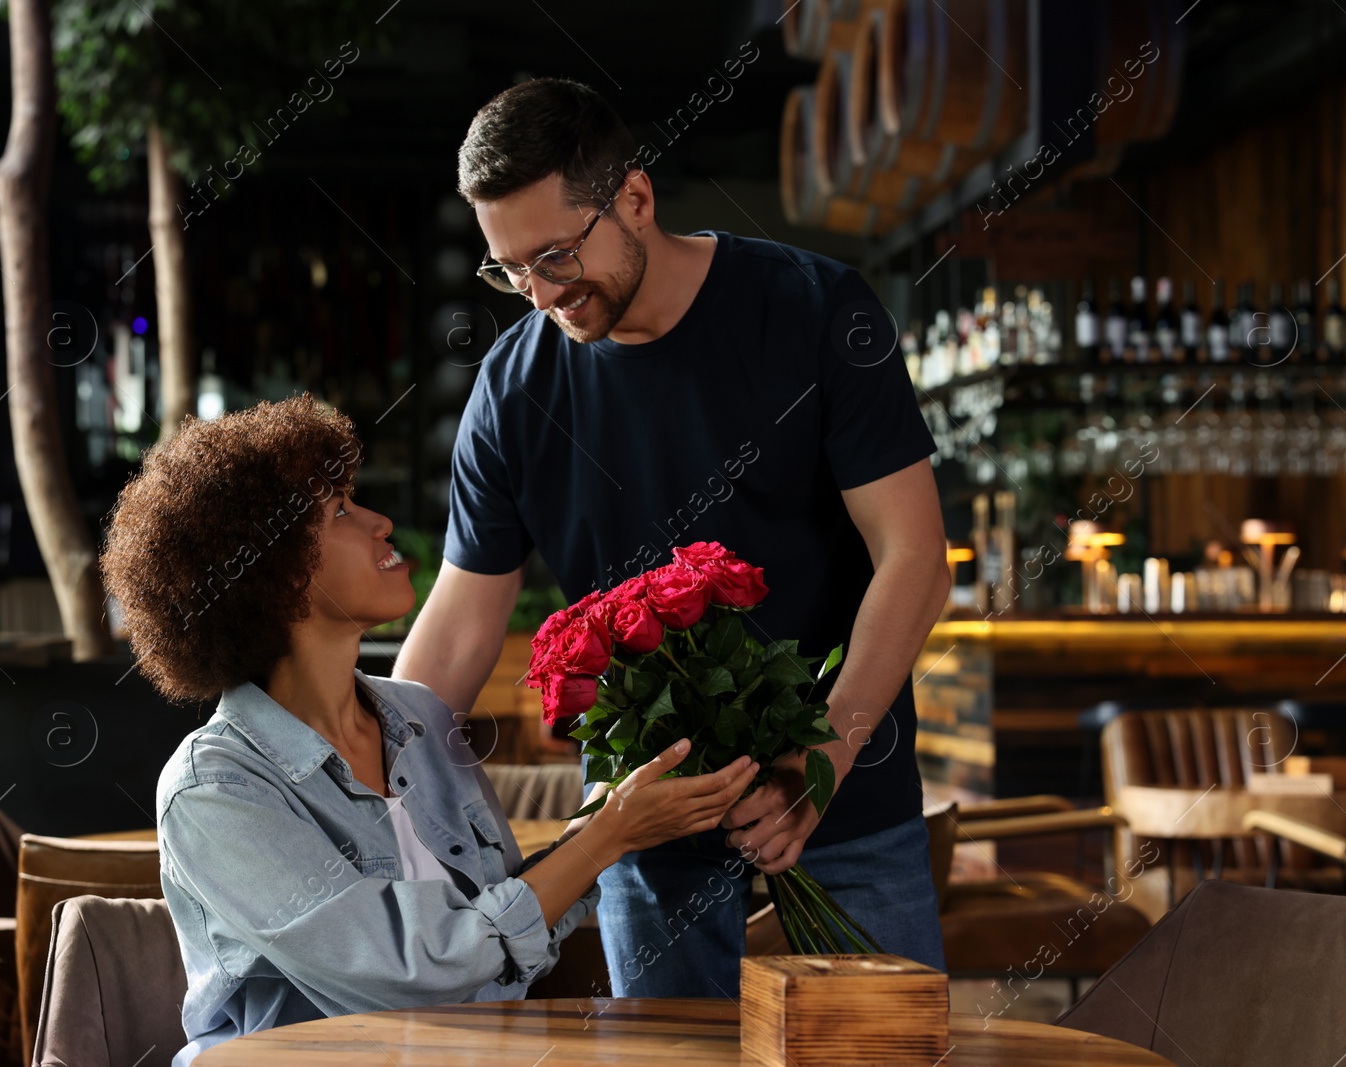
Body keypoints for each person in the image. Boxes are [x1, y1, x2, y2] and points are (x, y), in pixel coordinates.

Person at [395, 78, 951, 999]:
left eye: (558, 255)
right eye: (511, 270)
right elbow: (455, 631)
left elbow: (916, 560)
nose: (541, 295)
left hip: (848, 795)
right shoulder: (512, 388)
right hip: (644, 830)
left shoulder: (816, 309)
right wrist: (343, 776)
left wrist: (821, 764)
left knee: (884, 1054)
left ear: (637, 200)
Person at [101, 395, 757, 1063]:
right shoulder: (214, 790)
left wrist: (608, 812)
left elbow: (507, 926)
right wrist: (608, 834)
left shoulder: (420, 716)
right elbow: (414, 970)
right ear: (271, 576)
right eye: (341, 513)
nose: (381, 522)